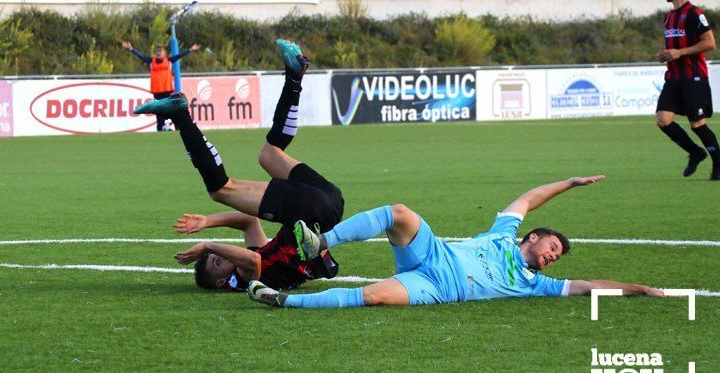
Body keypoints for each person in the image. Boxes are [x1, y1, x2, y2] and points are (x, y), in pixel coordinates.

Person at [247, 176, 665, 308]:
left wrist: (638, 288)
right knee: (400, 212)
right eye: (552, 248)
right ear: (533, 237)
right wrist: (571, 183)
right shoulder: (504, 232)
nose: (553, 259)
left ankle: (283, 301)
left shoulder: (537, 284)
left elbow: (589, 287)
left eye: (555, 258)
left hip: (439, 288)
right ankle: (323, 242)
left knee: (373, 297)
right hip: (434, 253)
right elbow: (529, 199)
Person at [135, 40, 344, 292]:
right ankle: (181, 116)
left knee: (269, 154)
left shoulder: (257, 257)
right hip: (312, 212)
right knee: (220, 190)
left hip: (328, 204)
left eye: (217, 258)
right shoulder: (246, 279)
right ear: (223, 281)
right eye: (218, 263)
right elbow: (252, 259)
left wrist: (208, 221)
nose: (224, 258)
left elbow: (248, 222)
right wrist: (208, 246)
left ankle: (294, 76)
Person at [655, 0, 718, 180]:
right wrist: (667, 55)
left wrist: (679, 52)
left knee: (697, 124)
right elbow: (675, 47)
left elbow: (709, 43)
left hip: (694, 77)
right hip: (673, 77)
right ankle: (695, 152)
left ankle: (718, 164)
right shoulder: (668, 17)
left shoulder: (694, 13)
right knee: (663, 120)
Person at [122, 41, 201, 131]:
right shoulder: (152, 61)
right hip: (157, 92)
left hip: (168, 92)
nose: (158, 53)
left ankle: (177, 129)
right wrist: (131, 48)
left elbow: (179, 56)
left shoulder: (169, 61)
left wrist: (190, 49)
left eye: (160, 51)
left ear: (164, 53)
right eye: (157, 51)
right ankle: (160, 130)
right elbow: (141, 56)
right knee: (159, 113)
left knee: (173, 112)